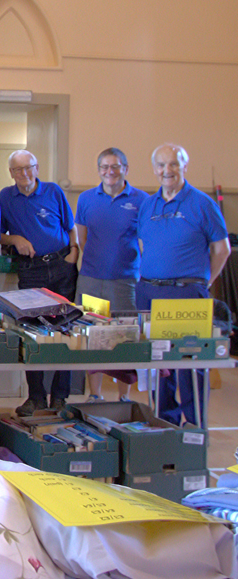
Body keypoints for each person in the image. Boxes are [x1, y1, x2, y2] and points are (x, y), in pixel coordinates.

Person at [137, 144, 230, 426]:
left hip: (188, 293)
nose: (168, 171)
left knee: (190, 364)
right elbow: (144, 244)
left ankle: (194, 427)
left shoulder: (202, 203)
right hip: (150, 293)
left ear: (184, 167)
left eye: (174, 164)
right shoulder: (148, 205)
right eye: (162, 165)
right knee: (158, 365)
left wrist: (203, 283)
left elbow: (222, 249)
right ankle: (165, 422)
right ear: (155, 169)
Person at [0, 149, 80, 416]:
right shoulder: (5, 197)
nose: (24, 174)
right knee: (33, 333)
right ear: (11, 173)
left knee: (65, 332)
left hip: (61, 267)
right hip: (31, 270)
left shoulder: (54, 191)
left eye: (28, 167)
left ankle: (60, 396)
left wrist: (73, 254)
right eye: (18, 169)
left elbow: (71, 227)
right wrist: (15, 240)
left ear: (36, 167)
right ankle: (36, 397)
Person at [76, 147, 149, 402]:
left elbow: (145, 241)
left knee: (124, 337)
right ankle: (94, 394)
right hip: (92, 280)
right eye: (105, 167)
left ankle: (123, 396)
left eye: (116, 166)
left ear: (125, 169)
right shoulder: (86, 199)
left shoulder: (142, 200)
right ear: (99, 171)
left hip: (125, 280)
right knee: (92, 336)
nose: (110, 172)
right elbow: (82, 238)